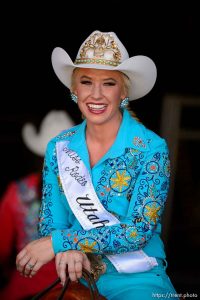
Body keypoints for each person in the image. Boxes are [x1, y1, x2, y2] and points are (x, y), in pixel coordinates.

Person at [16, 30, 178, 299]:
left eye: (109, 83)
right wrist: (67, 249)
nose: (96, 94)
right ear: (74, 89)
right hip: (78, 275)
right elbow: (50, 221)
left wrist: (59, 242)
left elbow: (137, 231)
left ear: (124, 91)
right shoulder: (59, 147)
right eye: (87, 81)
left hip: (138, 278)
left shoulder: (151, 148)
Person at [0, 110, 74, 300]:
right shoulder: (87, 193)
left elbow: (2, 249)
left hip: (23, 288)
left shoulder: (16, 193)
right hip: (71, 288)